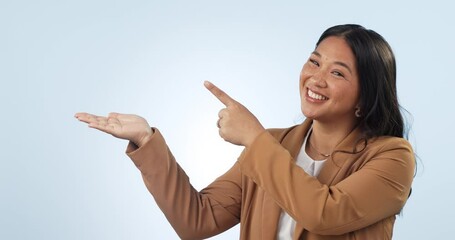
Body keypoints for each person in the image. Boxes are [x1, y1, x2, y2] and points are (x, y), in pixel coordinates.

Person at [75, 24, 415, 240]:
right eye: (314, 62)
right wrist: (146, 140)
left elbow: (323, 215)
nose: (316, 78)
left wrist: (254, 138)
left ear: (366, 94)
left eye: (338, 73)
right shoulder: (275, 144)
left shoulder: (392, 157)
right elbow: (197, 220)